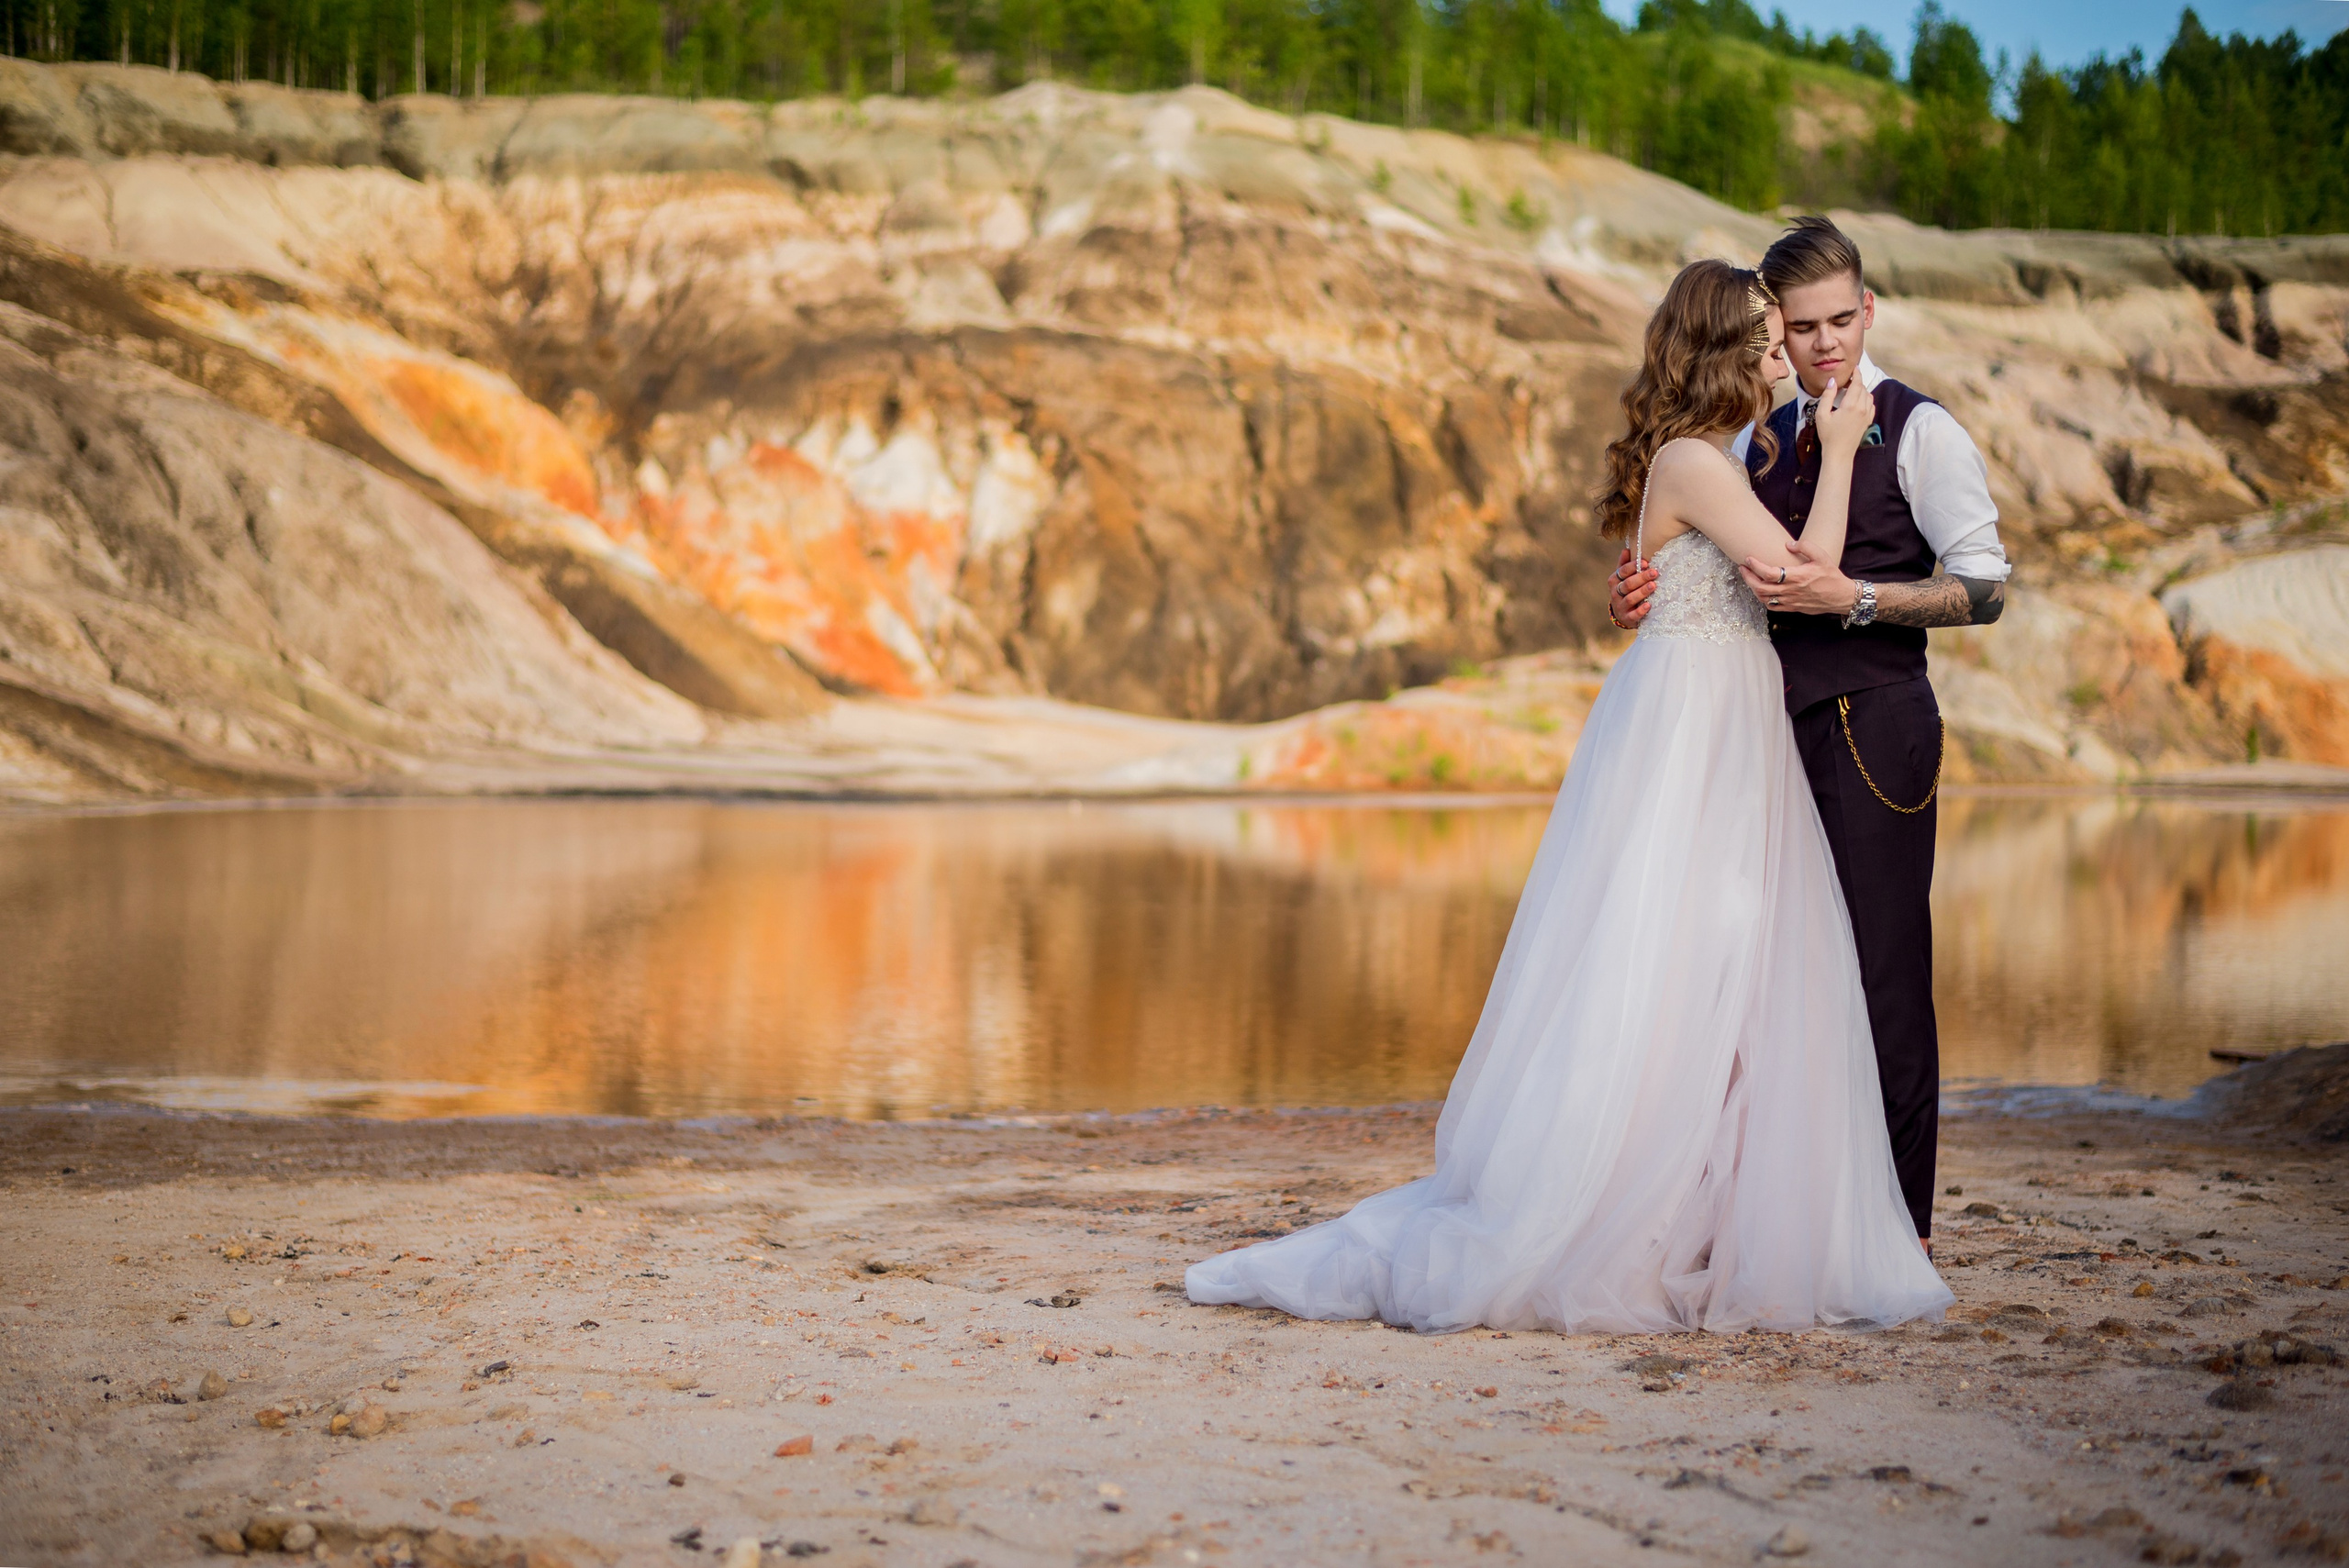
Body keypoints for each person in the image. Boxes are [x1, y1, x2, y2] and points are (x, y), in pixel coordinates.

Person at [1186, 260, 1952, 1335]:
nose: (1788, 352)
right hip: (1700, 720)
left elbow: (1691, 566)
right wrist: (1833, 453)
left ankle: (1698, 1204)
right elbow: (1800, 574)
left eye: (1794, 336)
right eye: (1769, 339)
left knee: (1723, 955)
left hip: (1721, 708)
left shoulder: (1725, 450)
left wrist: (1766, 474)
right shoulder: (1698, 456)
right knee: (1673, 951)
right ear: (1728, 349)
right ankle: (1619, 1200)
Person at [1609, 217, 2010, 1249]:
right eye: (1801, 327)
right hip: (1754, 737)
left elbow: (1984, 591)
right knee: (1765, 970)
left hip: (1875, 726)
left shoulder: (1923, 430)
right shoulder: (1749, 436)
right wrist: (1644, 581)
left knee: (1879, 972)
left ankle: (1899, 1225)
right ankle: (1776, 1207)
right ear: (1774, 334)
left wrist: (1866, 600)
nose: (1824, 342)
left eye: (1841, 319)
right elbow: (1702, 545)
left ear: (1867, 309)